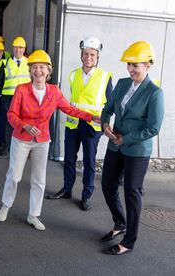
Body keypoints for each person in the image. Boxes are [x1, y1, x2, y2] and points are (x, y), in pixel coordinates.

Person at [0, 50, 99, 231]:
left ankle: (33, 215)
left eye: (42, 67)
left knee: (39, 179)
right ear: (30, 70)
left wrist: (91, 117)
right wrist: (24, 125)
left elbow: (69, 109)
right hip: (21, 138)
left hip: (42, 140)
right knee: (14, 176)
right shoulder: (22, 89)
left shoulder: (54, 91)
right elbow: (11, 115)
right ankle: (6, 205)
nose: (38, 71)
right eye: (34, 67)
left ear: (48, 70)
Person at [100, 41, 164, 255]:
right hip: (115, 144)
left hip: (137, 150)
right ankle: (120, 223)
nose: (130, 69)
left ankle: (129, 241)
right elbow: (108, 108)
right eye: (129, 64)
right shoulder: (121, 83)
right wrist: (105, 124)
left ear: (148, 65)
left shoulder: (154, 93)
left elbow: (153, 128)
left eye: (135, 64)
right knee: (108, 186)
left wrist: (125, 139)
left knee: (131, 192)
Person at [45, 37, 113, 211]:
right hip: (74, 123)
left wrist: (106, 123)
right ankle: (67, 189)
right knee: (69, 158)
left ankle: (86, 195)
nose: (88, 57)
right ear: (81, 55)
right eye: (86, 54)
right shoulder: (73, 74)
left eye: (92, 54)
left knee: (89, 162)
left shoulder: (105, 77)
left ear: (97, 57)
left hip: (93, 126)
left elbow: (110, 105)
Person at [0, 36, 30, 156]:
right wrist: (0, 95)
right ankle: (7, 148)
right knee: (9, 122)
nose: (18, 50)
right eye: (16, 47)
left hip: (25, 98)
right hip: (8, 97)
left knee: (24, 122)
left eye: (20, 48)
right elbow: (0, 80)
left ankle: (22, 149)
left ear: (24, 49)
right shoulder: (5, 63)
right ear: (13, 48)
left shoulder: (29, 63)